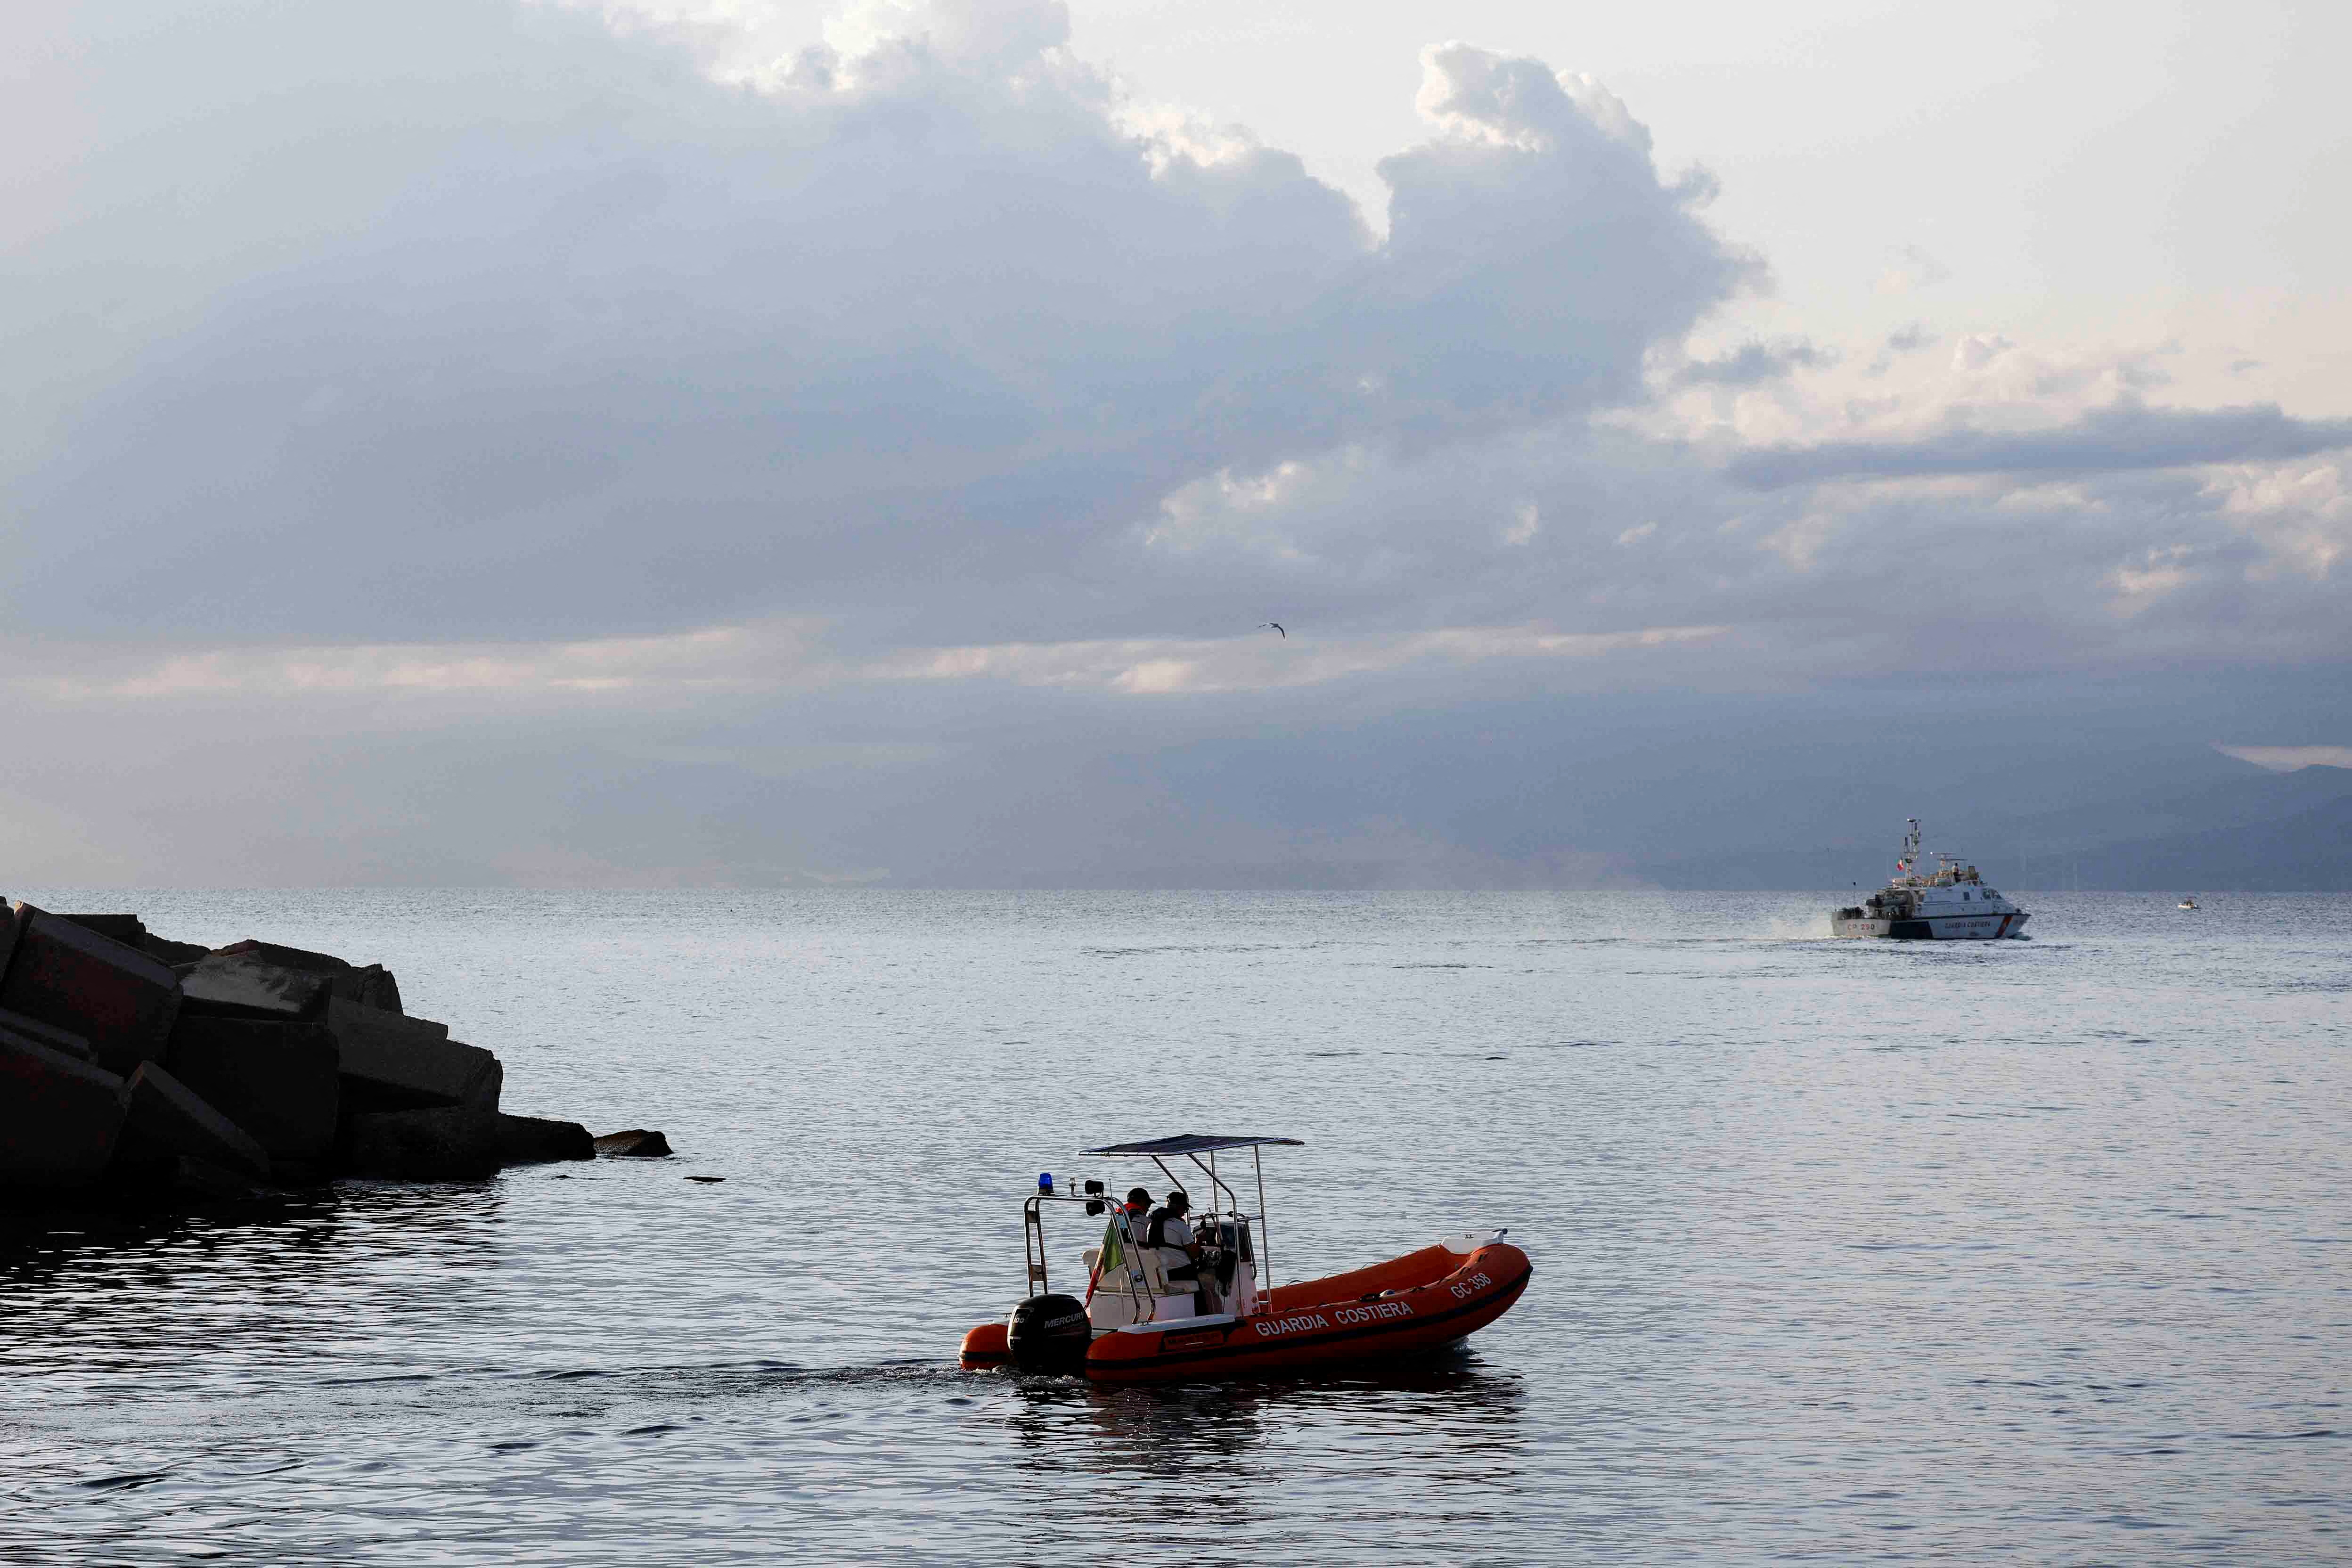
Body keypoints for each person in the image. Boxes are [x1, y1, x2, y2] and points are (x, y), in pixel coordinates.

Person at [1145, 1190, 1205, 1308]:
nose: (1185, 1212)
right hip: (1181, 1272)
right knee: (1201, 1292)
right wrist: (1200, 1241)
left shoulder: (1151, 1225)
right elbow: (1194, 1254)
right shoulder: (1179, 1225)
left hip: (1161, 1272)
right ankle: (1202, 1317)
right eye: (1185, 1209)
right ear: (1179, 1207)